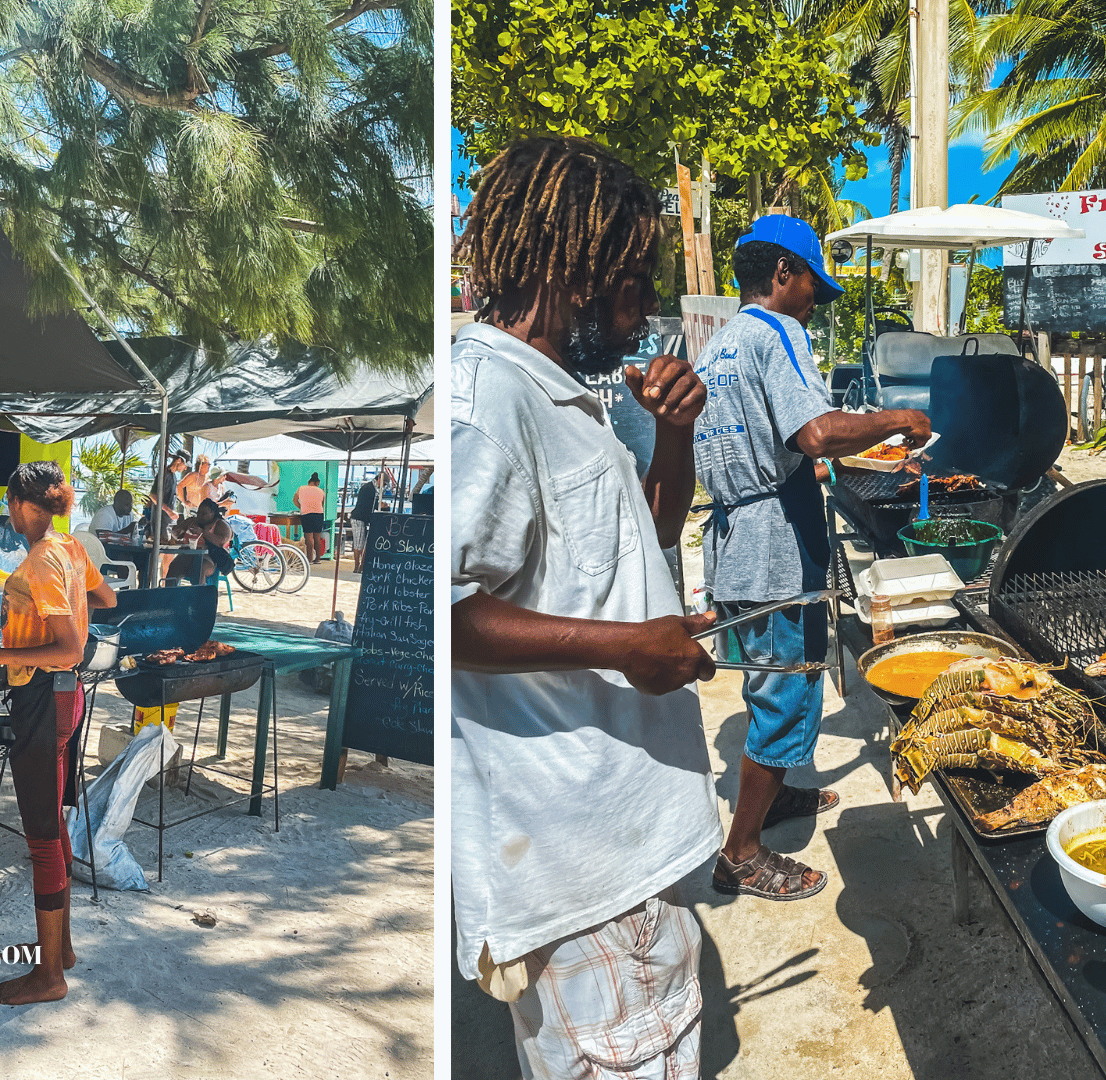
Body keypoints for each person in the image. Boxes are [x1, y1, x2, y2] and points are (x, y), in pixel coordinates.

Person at [450, 136, 722, 1079]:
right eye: (630, 279)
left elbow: (647, 537)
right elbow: (447, 615)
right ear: (572, 273)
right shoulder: (485, 400)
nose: (643, 303)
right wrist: (626, 647)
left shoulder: (569, 396)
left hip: (626, 848)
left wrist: (675, 435)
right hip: (576, 866)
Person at [691, 215, 931, 901]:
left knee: (766, 679)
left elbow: (771, 446)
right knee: (789, 688)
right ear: (781, 275)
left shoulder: (716, 345)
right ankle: (740, 853)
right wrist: (898, 419)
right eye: (809, 288)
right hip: (775, 546)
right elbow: (819, 431)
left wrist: (805, 470)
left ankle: (777, 796)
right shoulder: (777, 332)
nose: (811, 305)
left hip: (736, 538)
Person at [0, 461, 116, 1006]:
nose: (9, 514)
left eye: (11, 504)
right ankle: (63, 949)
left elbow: (71, 648)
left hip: (42, 698)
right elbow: (108, 600)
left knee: (40, 835)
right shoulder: (73, 550)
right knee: (52, 821)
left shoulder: (39, 561)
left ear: (27, 506)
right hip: (66, 700)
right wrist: (65, 604)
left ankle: (49, 976)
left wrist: (0, 652)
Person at [174, 498, 235, 582]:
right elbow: (176, 533)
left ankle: (199, 593)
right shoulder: (192, 521)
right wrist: (177, 531)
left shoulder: (221, 524)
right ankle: (170, 593)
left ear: (212, 513)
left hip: (209, 558)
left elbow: (221, 542)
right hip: (187, 555)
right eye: (198, 513)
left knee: (199, 568)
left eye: (204, 513)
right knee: (174, 567)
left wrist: (203, 532)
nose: (200, 516)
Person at [293, 472, 328, 563]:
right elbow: (322, 504)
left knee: (309, 537)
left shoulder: (301, 488)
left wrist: (301, 507)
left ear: (309, 482)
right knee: (317, 537)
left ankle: (309, 559)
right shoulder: (321, 491)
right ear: (317, 483)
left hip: (306, 514)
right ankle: (318, 559)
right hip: (318, 514)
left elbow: (295, 500)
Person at [350, 472, 381, 572]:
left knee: (360, 543)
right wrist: (379, 505)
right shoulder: (370, 488)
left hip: (361, 517)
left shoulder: (369, 487)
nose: (383, 486)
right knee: (359, 543)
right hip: (359, 518)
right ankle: (357, 566)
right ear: (379, 479)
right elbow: (369, 504)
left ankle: (360, 565)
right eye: (384, 484)